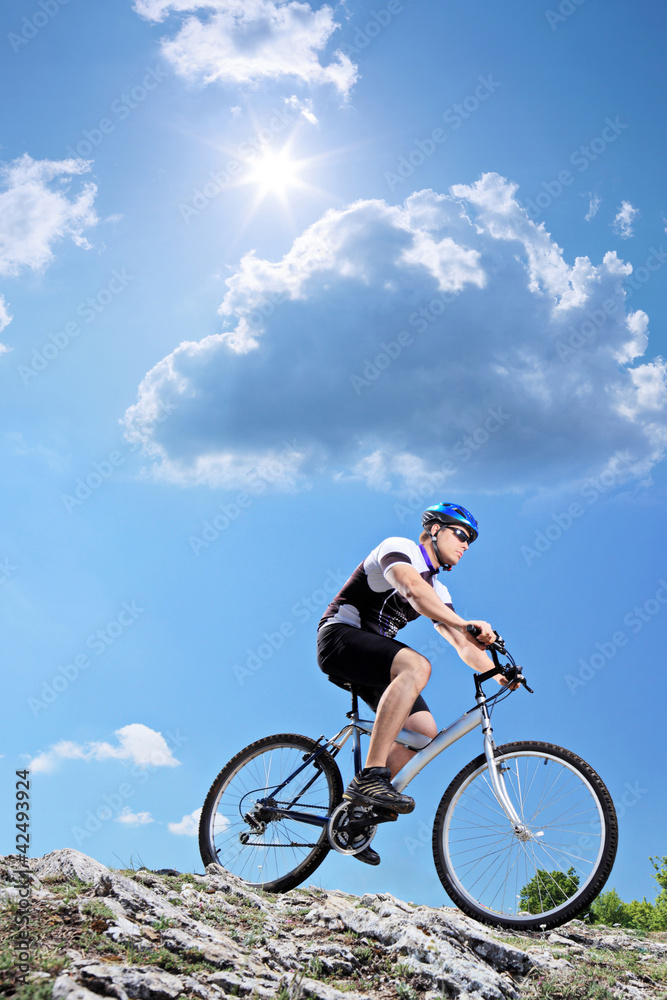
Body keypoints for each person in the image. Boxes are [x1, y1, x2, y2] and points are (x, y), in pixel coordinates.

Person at [316, 502, 500, 866]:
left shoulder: (440, 591)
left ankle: (355, 815)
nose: (465, 545)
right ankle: (371, 776)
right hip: (340, 639)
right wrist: (466, 622)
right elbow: (413, 589)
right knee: (417, 666)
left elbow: (463, 644)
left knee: (423, 733)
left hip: (377, 661)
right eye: (461, 534)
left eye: (471, 541)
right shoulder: (398, 548)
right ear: (434, 529)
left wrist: (499, 673)